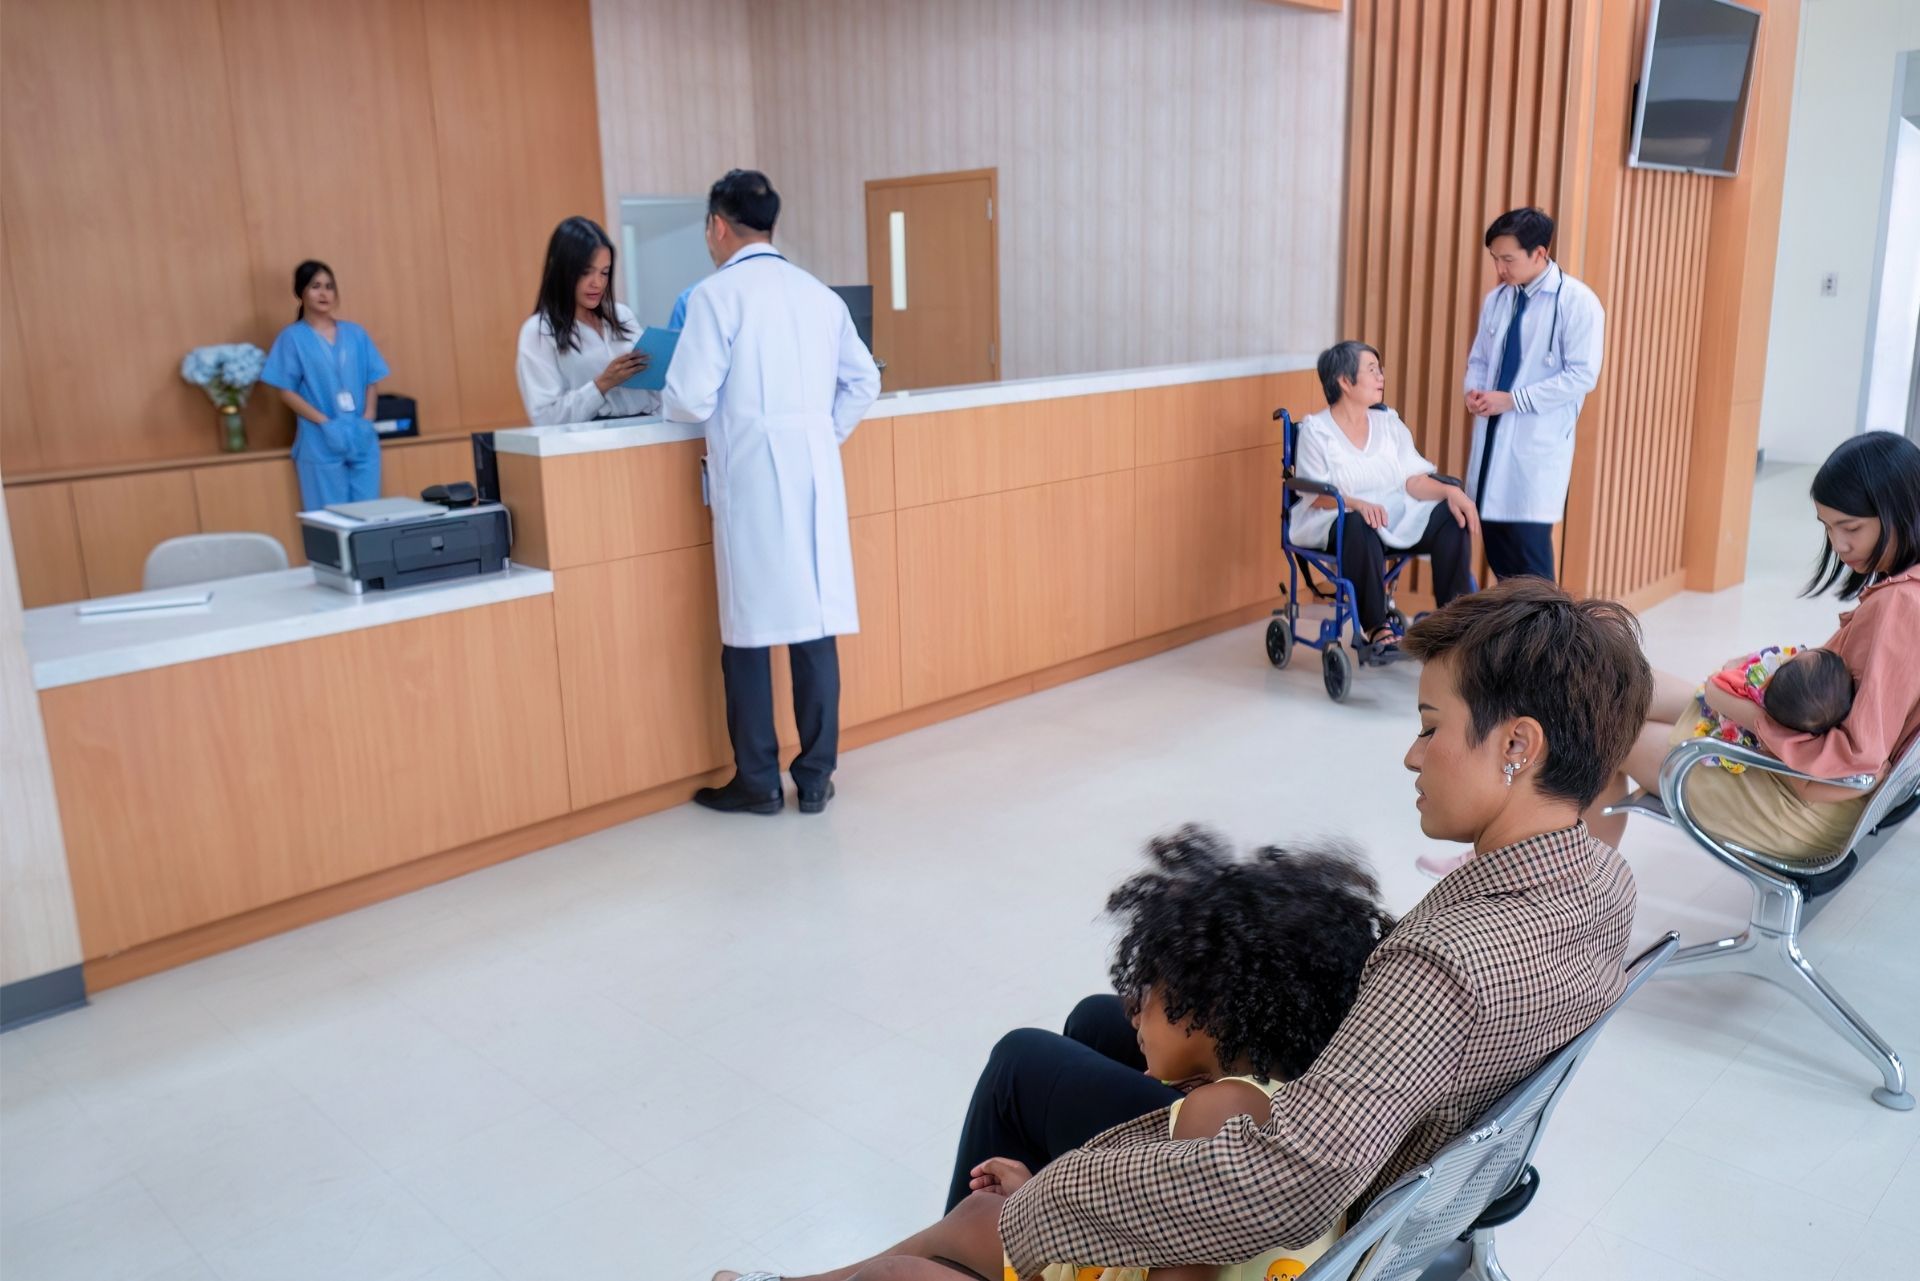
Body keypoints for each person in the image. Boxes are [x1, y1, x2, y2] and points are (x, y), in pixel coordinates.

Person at [925, 579, 1645, 1277]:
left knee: (1020, 1065)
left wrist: (1040, 1208)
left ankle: (971, 1256)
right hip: (1403, 1159)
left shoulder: (1447, 965)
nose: (1413, 753)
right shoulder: (1604, 882)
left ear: (1518, 745)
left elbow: (1292, 1183)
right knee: (1097, 1020)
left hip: (1322, 1216)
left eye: (1431, 727)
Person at [714, 826, 1397, 1281]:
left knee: (902, 1271)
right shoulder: (1277, 1098)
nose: (1130, 1006)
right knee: (977, 1217)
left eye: (1148, 987)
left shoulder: (1216, 1114)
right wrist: (1046, 1199)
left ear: (1211, 1008)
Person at [1590, 432, 1920, 860]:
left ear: (1900, 510)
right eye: (1828, 528)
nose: (1839, 546)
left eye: (1851, 528)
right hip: (1805, 771)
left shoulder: (1899, 607)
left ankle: (1578, 890)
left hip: (1805, 805)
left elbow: (1855, 761)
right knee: (1619, 684)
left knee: (1602, 736)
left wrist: (1748, 713)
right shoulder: (1904, 592)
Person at [663, 170, 881, 816]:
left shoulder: (714, 296)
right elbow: (864, 381)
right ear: (771, 225)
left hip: (751, 478)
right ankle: (815, 778)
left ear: (717, 226)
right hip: (814, 475)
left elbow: (689, 398)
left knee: (749, 631)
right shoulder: (818, 295)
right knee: (814, 626)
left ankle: (757, 782)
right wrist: (819, 435)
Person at [1292, 341, 1479, 663]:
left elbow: (1413, 480)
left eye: (1380, 370)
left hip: (1392, 514)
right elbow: (1315, 495)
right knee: (1358, 521)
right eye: (1372, 370)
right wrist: (1357, 503)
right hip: (1337, 519)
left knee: (1451, 517)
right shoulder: (1316, 431)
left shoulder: (1388, 423)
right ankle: (1376, 626)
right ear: (1345, 381)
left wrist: (1451, 493)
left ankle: (1455, 624)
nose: (1381, 377)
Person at [1462, 207, 1605, 582]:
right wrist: (1474, 391)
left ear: (1539, 253)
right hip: (1492, 442)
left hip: (1534, 451)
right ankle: (1513, 624)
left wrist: (1512, 400)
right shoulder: (1498, 299)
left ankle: (1547, 625)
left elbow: (1582, 375)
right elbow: (1479, 359)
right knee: (1499, 558)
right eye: (1495, 259)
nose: (1500, 269)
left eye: (1508, 259)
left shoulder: (1576, 302)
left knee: (1532, 567)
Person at [261, 260, 389, 508]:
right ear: (301, 292)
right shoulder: (292, 338)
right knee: (331, 516)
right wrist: (325, 423)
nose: (324, 293)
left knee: (369, 514)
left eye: (329, 287)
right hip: (320, 438)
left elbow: (371, 379)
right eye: (315, 286)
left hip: (360, 434)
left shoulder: (355, 334)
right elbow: (285, 392)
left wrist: (367, 418)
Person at [515, 216, 657, 426]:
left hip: (647, 432)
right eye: (585, 272)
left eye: (604, 272)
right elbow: (546, 417)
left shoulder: (622, 315)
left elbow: (655, 393)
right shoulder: (539, 331)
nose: (597, 283)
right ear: (561, 271)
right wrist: (603, 383)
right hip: (587, 441)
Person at [1689, 646, 1855, 772]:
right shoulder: (1797, 711)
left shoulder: (1756, 683)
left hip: (1716, 714)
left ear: (1769, 679)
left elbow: (1717, 682)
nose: (1800, 651)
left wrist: (1733, 667)